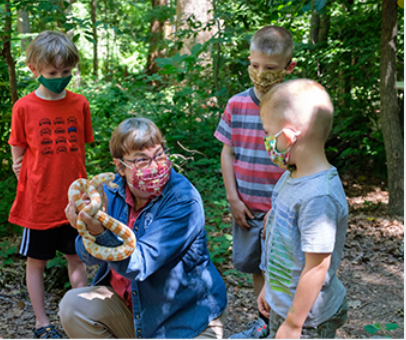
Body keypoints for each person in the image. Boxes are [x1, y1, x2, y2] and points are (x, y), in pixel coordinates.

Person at [59, 117, 227, 339]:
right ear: (120, 166)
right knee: (73, 305)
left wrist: (99, 231)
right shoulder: (109, 192)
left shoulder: (183, 200)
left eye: (159, 155)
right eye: (142, 161)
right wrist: (86, 228)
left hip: (185, 321)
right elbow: (88, 258)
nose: (155, 167)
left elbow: (139, 265)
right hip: (133, 310)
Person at [8, 30, 94, 339]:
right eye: (52, 72)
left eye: (66, 72)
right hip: (39, 202)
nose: (60, 78)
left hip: (74, 200)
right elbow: (17, 150)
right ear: (33, 69)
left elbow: (80, 148)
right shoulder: (24, 108)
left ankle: (83, 318)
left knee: (78, 256)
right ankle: (42, 323)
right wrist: (27, 176)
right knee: (37, 262)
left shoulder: (79, 103)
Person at [214, 25, 297, 339]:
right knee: (257, 267)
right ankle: (265, 321)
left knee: (282, 266)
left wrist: (284, 208)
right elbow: (227, 151)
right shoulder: (236, 104)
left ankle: (287, 322)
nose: (261, 73)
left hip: (284, 209)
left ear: (288, 68)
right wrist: (233, 198)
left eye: (271, 68)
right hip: (248, 207)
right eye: (255, 66)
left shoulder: (293, 107)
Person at [257, 79, 348, 339]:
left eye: (267, 133)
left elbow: (317, 267)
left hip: (308, 319)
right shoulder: (290, 176)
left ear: (287, 136)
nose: (266, 141)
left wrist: (294, 323)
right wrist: (270, 289)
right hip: (285, 304)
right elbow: (279, 241)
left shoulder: (319, 197)